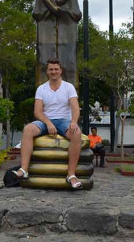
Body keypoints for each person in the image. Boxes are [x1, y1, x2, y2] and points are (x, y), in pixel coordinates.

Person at [15, 58, 83, 189]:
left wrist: (74, 122)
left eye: (56, 69)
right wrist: (48, 123)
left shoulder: (68, 87)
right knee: (28, 129)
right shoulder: (41, 88)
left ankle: (71, 175)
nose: (54, 71)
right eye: (51, 69)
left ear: (60, 71)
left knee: (77, 133)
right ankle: (24, 169)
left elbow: (75, 108)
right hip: (45, 120)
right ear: (47, 71)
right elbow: (37, 111)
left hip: (64, 121)